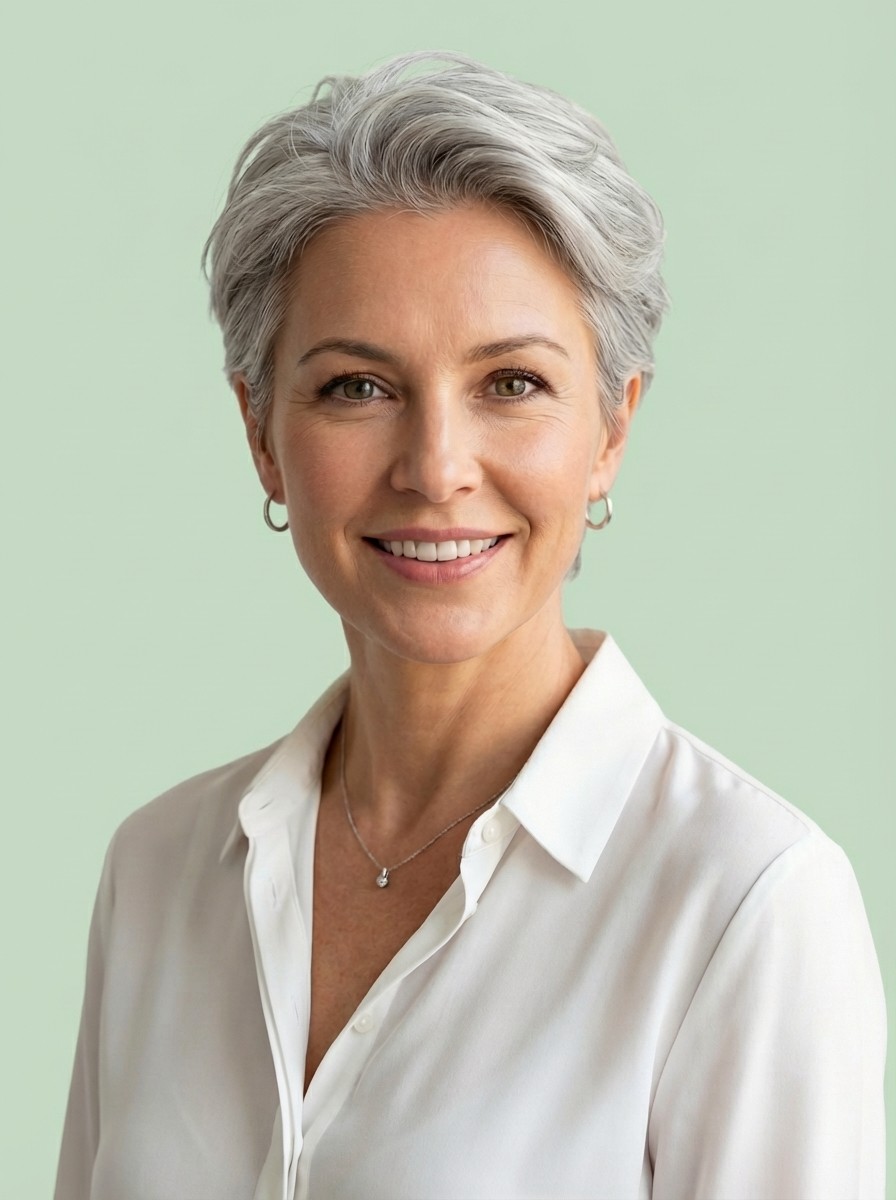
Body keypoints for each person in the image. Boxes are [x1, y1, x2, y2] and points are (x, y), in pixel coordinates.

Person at [54, 50, 886, 1200]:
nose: (436, 470)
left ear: (609, 431)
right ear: (261, 432)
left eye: (511, 384)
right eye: (357, 385)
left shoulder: (746, 903)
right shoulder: (156, 872)